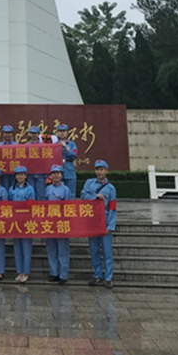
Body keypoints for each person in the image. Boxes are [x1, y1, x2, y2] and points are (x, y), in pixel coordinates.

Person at [81, 159, 117, 289]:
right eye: (97, 169)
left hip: (105, 220)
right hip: (92, 220)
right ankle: (97, 275)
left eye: (102, 169)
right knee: (94, 250)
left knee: (107, 251)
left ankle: (108, 278)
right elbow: (83, 197)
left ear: (106, 171)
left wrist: (110, 226)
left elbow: (112, 207)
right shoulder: (89, 183)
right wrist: (95, 197)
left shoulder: (111, 188)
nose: (99, 172)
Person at [44, 164, 72, 284]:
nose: (55, 175)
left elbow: (69, 208)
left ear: (62, 175)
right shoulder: (48, 189)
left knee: (62, 250)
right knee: (51, 249)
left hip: (61, 223)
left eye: (58, 173)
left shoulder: (66, 190)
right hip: (49, 223)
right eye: (53, 173)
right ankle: (54, 272)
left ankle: (63, 275)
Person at [8, 165, 35, 283]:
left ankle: (26, 272)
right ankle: (19, 271)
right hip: (15, 222)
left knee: (26, 247)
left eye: (22, 174)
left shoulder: (30, 189)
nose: (20, 177)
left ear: (25, 176)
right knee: (17, 248)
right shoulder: (11, 189)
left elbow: (32, 205)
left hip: (26, 221)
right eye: (18, 174)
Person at [56, 123, 78, 198]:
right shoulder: (55, 144)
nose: (62, 133)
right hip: (58, 169)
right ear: (57, 132)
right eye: (60, 131)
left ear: (67, 132)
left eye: (64, 131)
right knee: (58, 192)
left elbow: (74, 156)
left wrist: (66, 148)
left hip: (69, 168)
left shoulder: (72, 144)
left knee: (71, 192)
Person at [26, 125, 47, 200]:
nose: (34, 135)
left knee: (41, 193)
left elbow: (46, 160)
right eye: (32, 133)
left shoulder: (43, 146)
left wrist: (46, 174)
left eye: (35, 133)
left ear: (38, 134)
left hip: (40, 173)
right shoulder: (26, 146)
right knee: (31, 193)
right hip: (30, 173)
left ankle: (41, 207)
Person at [0, 124, 17, 191]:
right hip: (3, 172)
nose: (8, 135)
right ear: (3, 134)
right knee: (4, 188)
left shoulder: (16, 145)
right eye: (6, 133)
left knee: (14, 189)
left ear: (12, 134)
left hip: (13, 172)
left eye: (9, 133)